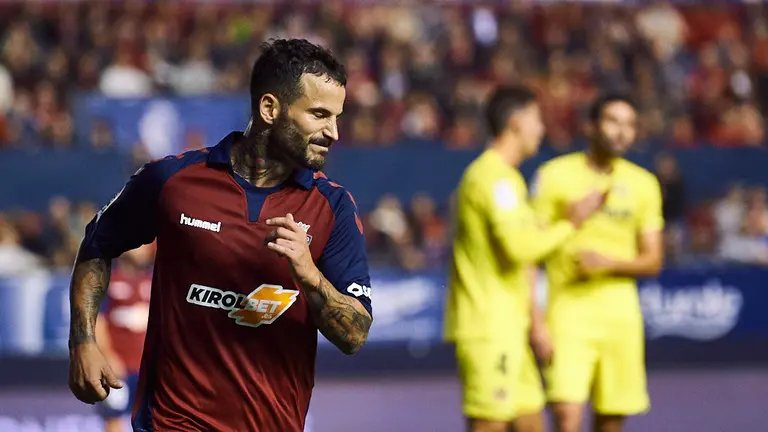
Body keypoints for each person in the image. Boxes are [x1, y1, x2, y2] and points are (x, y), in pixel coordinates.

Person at [67, 38, 373, 432]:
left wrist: (310, 275)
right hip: (174, 422)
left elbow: (354, 336)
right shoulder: (173, 181)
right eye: (319, 114)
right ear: (269, 108)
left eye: (337, 117)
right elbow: (96, 244)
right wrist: (82, 341)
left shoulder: (333, 208)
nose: (333, 132)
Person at [442, 85, 606, 432]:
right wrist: (570, 223)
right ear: (516, 122)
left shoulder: (507, 178)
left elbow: (520, 256)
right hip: (489, 327)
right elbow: (519, 248)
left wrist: (535, 322)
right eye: (537, 119)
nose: (542, 129)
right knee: (489, 423)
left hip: (510, 326)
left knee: (531, 421)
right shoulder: (492, 178)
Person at [530, 94, 664, 432]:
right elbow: (529, 253)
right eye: (613, 121)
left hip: (621, 317)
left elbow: (653, 260)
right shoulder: (553, 176)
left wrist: (608, 263)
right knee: (566, 414)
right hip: (567, 312)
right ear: (590, 126)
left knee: (611, 420)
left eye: (629, 124)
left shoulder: (644, 184)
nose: (621, 131)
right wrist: (536, 320)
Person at [94, 244, 153, 432]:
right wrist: (108, 356)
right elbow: (98, 322)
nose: (145, 249)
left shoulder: (154, 279)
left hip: (148, 368)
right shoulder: (108, 280)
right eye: (141, 245)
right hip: (119, 367)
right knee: (114, 416)